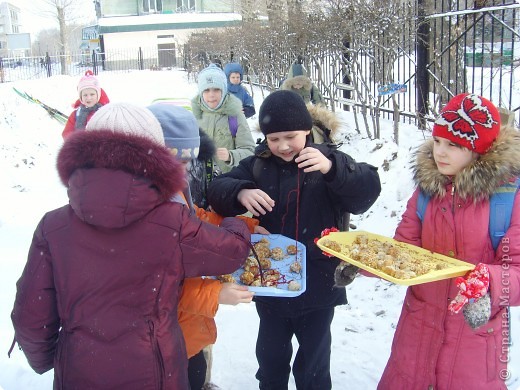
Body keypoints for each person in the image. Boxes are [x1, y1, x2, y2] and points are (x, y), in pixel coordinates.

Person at [10, 102, 252, 389]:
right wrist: (235, 222)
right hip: (156, 371)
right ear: (154, 154)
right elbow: (231, 253)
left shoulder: (53, 227)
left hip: (80, 372)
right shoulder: (170, 221)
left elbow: (30, 317)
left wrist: (57, 358)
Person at [207, 90, 381, 389]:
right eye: (273, 139)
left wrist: (332, 169)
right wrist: (240, 192)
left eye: (291, 136)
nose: (282, 146)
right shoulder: (259, 164)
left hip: (320, 282)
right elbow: (217, 189)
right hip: (271, 283)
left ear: (306, 130)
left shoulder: (328, 158)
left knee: (313, 360)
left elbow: (365, 192)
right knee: (271, 356)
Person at [377, 93, 520, 389]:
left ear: (480, 150)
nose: (440, 152)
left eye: (454, 145)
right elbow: (403, 251)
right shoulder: (428, 190)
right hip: (416, 337)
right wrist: (360, 261)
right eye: (438, 141)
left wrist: (489, 282)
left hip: (473, 344)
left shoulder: (509, 199)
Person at [148, 102, 264, 390]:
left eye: (189, 163)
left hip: (187, 330)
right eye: (179, 163)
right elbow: (161, 285)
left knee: (196, 369)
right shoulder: (150, 208)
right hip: (163, 336)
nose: (185, 172)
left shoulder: (174, 189)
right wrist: (214, 294)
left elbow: (197, 220)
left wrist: (245, 225)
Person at [191, 64, 255, 174]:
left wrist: (231, 156)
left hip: (228, 180)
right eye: (206, 90)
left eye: (216, 89)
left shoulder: (235, 116)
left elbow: (250, 151)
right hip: (198, 182)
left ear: (224, 90)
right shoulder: (193, 117)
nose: (211, 95)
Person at [62, 70, 110, 139]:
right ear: (81, 97)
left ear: (98, 95)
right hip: (81, 147)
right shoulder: (76, 115)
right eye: (85, 95)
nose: (89, 98)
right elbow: (66, 134)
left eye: (92, 94)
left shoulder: (105, 112)